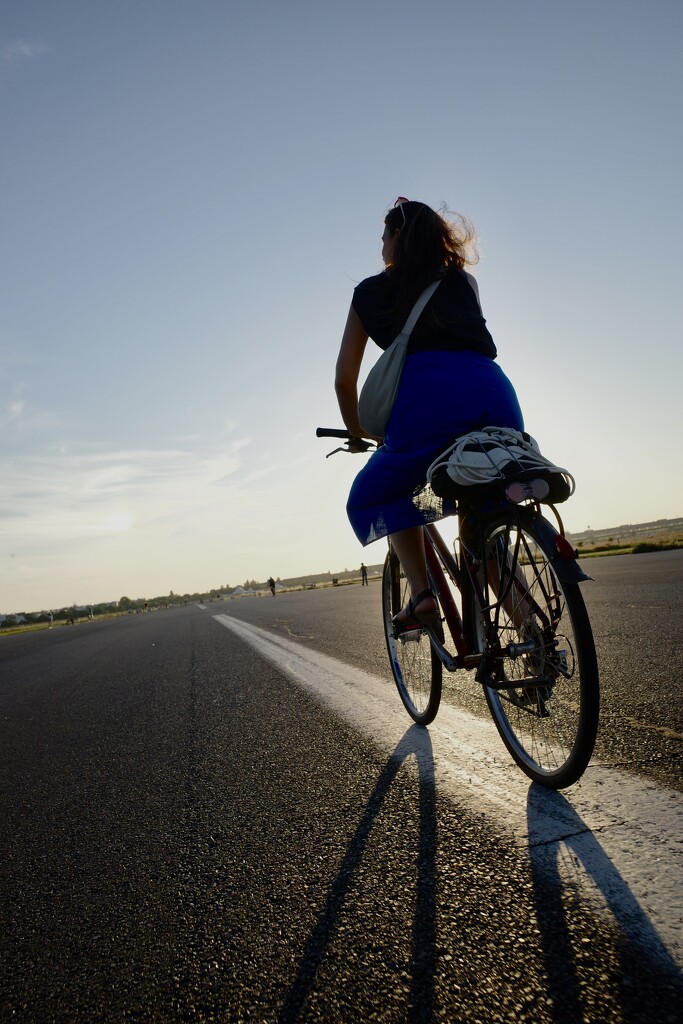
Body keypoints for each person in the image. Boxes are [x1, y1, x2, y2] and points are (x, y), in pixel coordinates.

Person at [334, 198, 524, 630]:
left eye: (383, 236)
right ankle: (530, 630)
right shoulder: (464, 282)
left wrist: (359, 433)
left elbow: (345, 380)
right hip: (494, 395)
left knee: (384, 493)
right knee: (484, 506)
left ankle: (421, 596)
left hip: (426, 405)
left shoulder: (368, 293)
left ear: (397, 235)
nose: (380, 245)